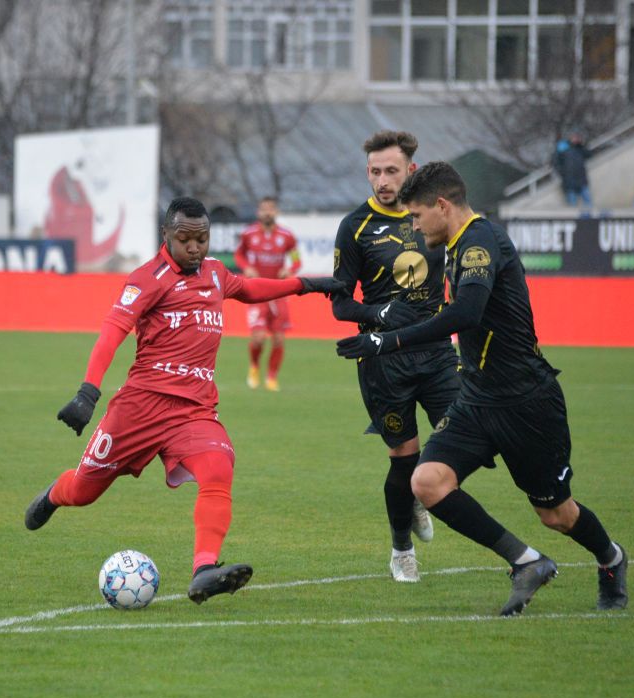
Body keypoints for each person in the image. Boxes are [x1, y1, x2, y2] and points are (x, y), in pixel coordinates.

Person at [336, 161, 628, 616]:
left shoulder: (479, 242)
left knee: (557, 514)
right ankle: (526, 562)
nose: (413, 227)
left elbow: (467, 312)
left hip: (526, 399)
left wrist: (388, 340)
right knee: (428, 481)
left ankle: (611, 558)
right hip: (477, 397)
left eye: (416, 217)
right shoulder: (455, 244)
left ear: (442, 205)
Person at [24, 197, 343, 604]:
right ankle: (54, 494)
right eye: (185, 239)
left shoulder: (215, 273)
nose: (195, 247)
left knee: (218, 468)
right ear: (167, 237)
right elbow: (112, 330)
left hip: (193, 411)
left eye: (202, 239)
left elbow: (248, 288)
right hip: (139, 408)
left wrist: (306, 285)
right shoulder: (147, 278)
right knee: (85, 491)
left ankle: (204, 570)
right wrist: (88, 391)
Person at [328, 130, 460, 584]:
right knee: (402, 461)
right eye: (375, 171)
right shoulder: (355, 227)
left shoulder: (434, 215)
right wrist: (377, 312)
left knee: (467, 438)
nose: (383, 180)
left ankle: (420, 491)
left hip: (437, 351)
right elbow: (340, 304)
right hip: (384, 362)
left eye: (391, 170)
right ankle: (401, 550)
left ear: (412, 171)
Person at [234, 196, 302, 391]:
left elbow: (296, 260)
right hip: (256, 292)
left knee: (279, 338)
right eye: (264, 209)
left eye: (271, 209)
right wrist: (246, 267)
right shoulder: (249, 234)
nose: (267, 213)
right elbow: (239, 255)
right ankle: (254, 366)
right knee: (258, 337)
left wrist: (290, 270)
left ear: (276, 212)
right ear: (258, 212)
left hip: (278, 292)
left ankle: (272, 377)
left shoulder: (286, 236)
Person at [553, 132, 592, 210]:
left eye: (577, 138)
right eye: (574, 138)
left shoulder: (580, 148)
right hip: (569, 180)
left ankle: (590, 217)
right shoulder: (563, 148)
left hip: (581, 179)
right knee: (572, 204)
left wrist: (582, 145)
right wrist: (562, 173)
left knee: (588, 201)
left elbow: (589, 154)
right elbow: (556, 162)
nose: (575, 139)